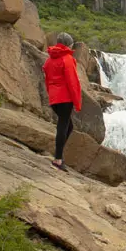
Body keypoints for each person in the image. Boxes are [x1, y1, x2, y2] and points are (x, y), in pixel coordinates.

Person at [42, 33, 82, 170]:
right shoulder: (67, 59)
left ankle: (58, 155)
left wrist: (51, 95)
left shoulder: (49, 60)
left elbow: (47, 81)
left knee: (68, 126)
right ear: (68, 44)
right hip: (65, 98)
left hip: (54, 98)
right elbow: (73, 82)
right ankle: (58, 159)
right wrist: (77, 102)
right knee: (63, 125)